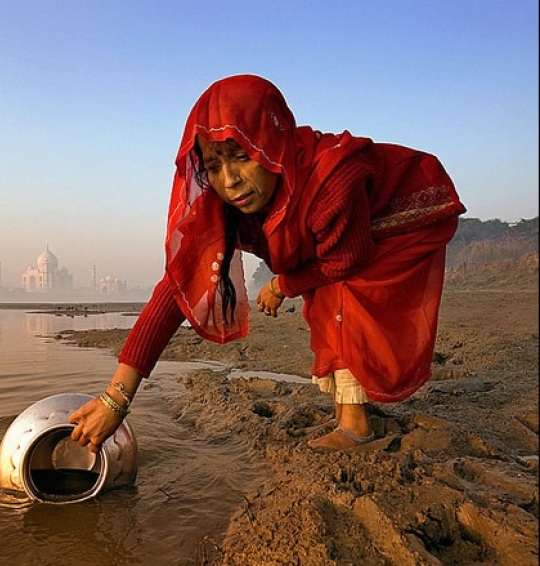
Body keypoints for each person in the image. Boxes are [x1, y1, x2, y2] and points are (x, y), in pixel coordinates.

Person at [69, 74, 465, 452]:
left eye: (242, 156)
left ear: (273, 144)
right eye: (213, 166)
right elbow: (176, 288)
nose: (230, 181)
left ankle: (356, 428)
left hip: (401, 219)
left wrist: (281, 286)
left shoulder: (330, 183)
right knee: (324, 302)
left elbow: (348, 258)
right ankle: (351, 413)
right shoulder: (226, 205)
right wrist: (115, 398)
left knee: (343, 301)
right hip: (346, 241)